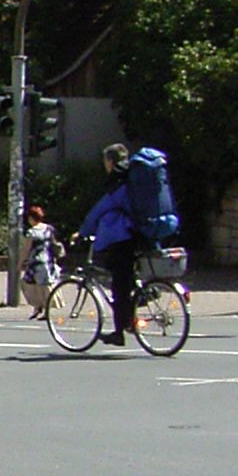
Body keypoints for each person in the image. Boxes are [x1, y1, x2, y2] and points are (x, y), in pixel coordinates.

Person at [78, 144, 140, 346]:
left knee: (119, 287)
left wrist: (82, 232)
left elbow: (100, 209)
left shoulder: (119, 182)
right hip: (139, 233)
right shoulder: (134, 179)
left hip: (123, 239)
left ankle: (119, 332)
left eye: (105, 161)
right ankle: (135, 306)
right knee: (124, 277)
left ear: (111, 162)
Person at [18, 204, 62, 318]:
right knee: (45, 287)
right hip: (49, 261)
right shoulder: (49, 229)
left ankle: (41, 308)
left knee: (30, 285)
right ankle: (39, 308)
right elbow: (53, 244)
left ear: (32, 218)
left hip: (35, 263)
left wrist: (20, 263)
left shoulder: (32, 232)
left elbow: (26, 249)